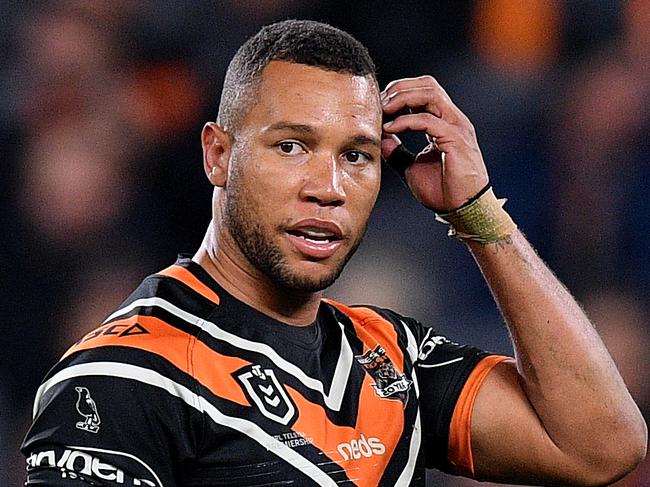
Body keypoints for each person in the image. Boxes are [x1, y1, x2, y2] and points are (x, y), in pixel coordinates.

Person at [21, 20, 646, 487]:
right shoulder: (125, 378)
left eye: (357, 155)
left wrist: (477, 213)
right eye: (292, 146)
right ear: (217, 155)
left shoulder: (390, 356)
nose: (328, 187)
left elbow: (602, 446)